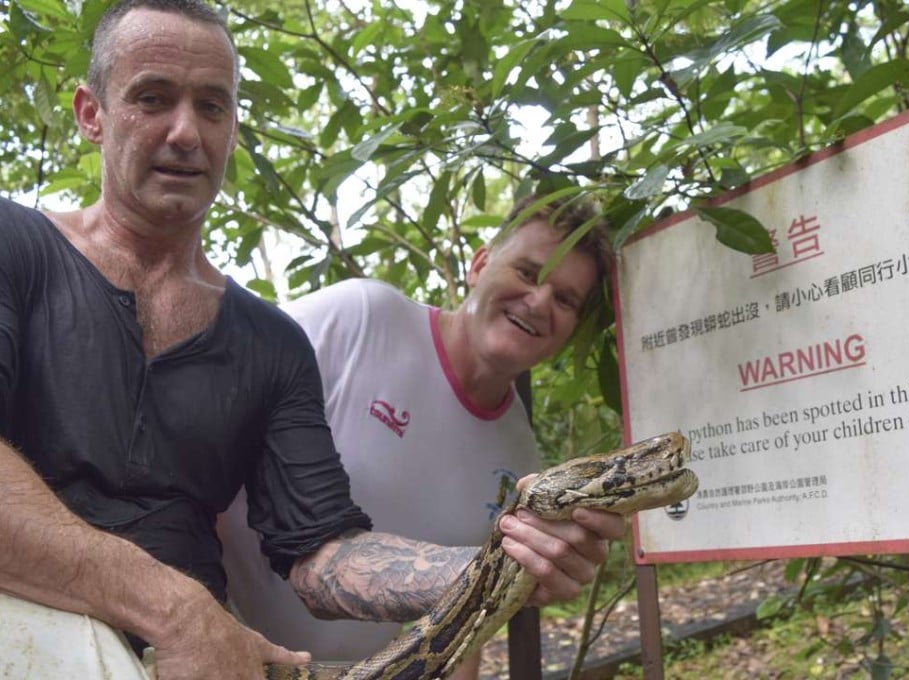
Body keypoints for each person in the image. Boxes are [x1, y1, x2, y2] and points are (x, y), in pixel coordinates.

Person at [0, 2, 623, 679]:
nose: (186, 132)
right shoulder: (16, 247)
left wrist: (505, 564)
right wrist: (178, 610)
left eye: (212, 107)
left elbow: (317, 553)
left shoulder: (270, 343)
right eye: (153, 99)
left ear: (233, 128)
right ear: (91, 113)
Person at [218, 194, 615, 677]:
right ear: (480, 264)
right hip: (213, 651)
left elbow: (460, 623)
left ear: (572, 329)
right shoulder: (362, 317)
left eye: (566, 298)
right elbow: (205, 430)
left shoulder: (521, 458)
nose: (538, 302)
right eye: (528, 273)